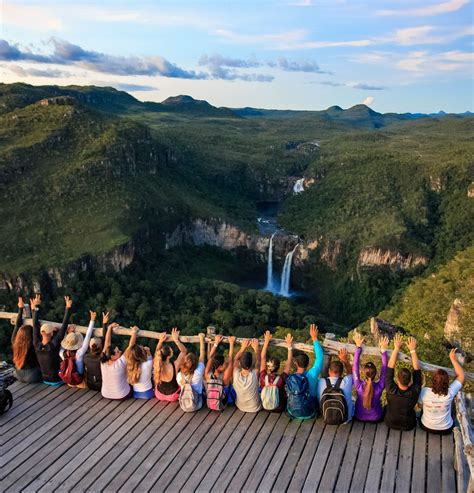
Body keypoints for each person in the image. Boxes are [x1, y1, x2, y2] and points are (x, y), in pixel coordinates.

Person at [418, 348, 465, 434]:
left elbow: (420, 406)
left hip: (426, 426)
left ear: (433, 381)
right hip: (445, 429)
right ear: (447, 382)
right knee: (452, 410)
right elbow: (461, 376)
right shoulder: (450, 393)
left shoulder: (424, 392)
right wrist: (453, 359)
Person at [32, 294, 73, 385]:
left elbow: (35, 325)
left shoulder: (36, 343)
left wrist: (36, 307)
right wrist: (68, 308)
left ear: (41, 333)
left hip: (44, 379)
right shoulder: (53, 345)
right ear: (51, 333)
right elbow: (64, 326)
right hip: (57, 380)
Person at [384, 334, 422, 431]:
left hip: (390, 422)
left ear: (397, 379)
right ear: (410, 381)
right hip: (408, 425)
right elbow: (417, 369)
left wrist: (396, 348)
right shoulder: (414, 391)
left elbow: (390, 367)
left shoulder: (391, 389)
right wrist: (412, 350)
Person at [352, 331, 389, 422]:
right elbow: (385, 369)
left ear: (363, 373)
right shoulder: (379, 387)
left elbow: (355, 366)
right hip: (376, 418)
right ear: (375, 373)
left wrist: (358, 347)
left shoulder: (358, 386)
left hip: (359, 417)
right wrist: (383, 351)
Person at [59, 310, 97, 387]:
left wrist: (68, 333)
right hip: (79, 379)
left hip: (69, 379)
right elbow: (88, 336)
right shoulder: (79, 353)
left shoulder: (62, 352)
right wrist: (92, 320)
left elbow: (63, 341)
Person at [259, 331, 293, 412]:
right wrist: (289, 346)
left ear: (268, 367)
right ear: (278, 367)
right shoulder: (281, 378)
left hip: (266, 406)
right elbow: (289, 361)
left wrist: (266, 342)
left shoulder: (263, 377)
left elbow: (262, 358)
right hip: (279, 407)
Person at [317, 348, 353, 424]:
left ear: (329, 371)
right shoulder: (346, 381)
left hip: (326, 416)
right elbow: (351, 372)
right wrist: (344, 360)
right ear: (342, 372)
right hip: (345, 419)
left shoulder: (321, 381)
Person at [11, 296, 41, 383]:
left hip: (18, 375)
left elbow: (17, 325)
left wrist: (20, 309)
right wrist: (35, 308)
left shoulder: (14, 341)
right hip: (33, 376)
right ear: (30, 336)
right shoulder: (33, 343)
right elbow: (35, 326)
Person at [100, 322, 134, 400]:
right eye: (118, 352)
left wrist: (109, 328)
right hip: (122, 395)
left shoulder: (103, 361)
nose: (120, 351)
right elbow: (131, 346)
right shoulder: (120, 363)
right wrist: (134, 332)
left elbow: (107, 343)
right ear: (113, 356)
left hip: (105, 394)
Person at [153, 328, 187, 402]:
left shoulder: (157, 364)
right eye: (171, 351)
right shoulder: (175, 365)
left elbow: (157, 352)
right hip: (172, 396)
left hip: (159, 394)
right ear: (169, 356)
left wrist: (160, 342)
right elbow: (184, 351)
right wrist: (176, 340)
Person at [204, 335, 235, 411]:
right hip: (222, 405)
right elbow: (231, 360)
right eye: (224, 363)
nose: (226, 363)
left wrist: (216, 343)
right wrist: (231, 343)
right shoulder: (224, 377)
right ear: (220, 366)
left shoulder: (208, 374)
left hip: (210, 403)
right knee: (230, 385)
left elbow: (210, 357)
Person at [230, 338, 262, 413]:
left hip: (240, 406)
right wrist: (256, 348)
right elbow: (259, 361)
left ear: (240, 364)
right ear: (251, 365)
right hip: (255, 408)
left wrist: (242, 348)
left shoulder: (236, 374)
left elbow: (236, 359)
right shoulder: (254, 375)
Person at [125, 326, 154, 399]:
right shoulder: (147, 364)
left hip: (135, 393)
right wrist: (148, 351)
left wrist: (134, 333)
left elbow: (130, 347)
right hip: (148, 393)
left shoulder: (129, 364)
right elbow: (150, 357)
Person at [83, 312, 109, 391]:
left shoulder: (86, 357)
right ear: (101, 346)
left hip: (90, 385)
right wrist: (105, 324)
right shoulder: (102, 358)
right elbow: (106, 341)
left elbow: (88, 337)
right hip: (101, 386)